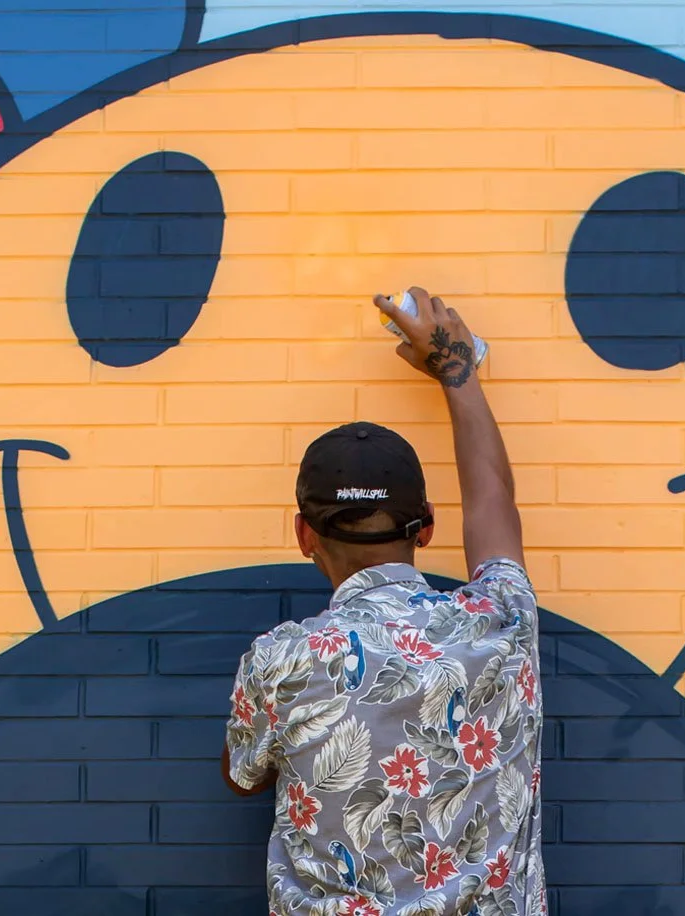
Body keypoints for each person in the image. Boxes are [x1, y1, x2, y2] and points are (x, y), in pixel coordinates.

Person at [223, 287, 545, 916]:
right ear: (425, 527)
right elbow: (493, 505)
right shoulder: (501, 622)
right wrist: (457, 373)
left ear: (303, 535)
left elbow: (243, 776)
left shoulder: (277, 662)